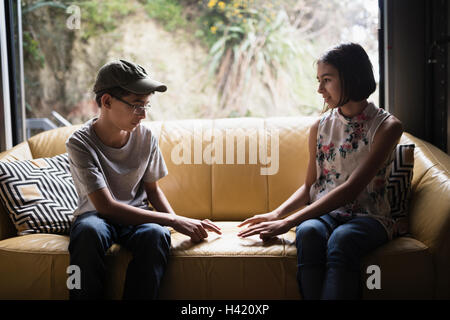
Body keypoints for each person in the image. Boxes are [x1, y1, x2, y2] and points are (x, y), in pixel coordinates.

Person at [238, 43, 403, 300]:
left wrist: (288, 222)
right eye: (318, 80)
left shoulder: (387, 126)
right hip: (325, 215)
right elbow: (309, 186)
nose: (319, 90)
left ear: (351, 77)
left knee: (343, 239)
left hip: (369, 217)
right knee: (309, 232)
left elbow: (351, 190)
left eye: (326, 80)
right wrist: (276, 213)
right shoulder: (320, 126)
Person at [66, 59, 221, 300]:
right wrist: (175, 219)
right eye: (137, 105)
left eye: (146, 106)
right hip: (96, 216)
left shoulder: (146, 137)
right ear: (106, 101)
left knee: (156, 234)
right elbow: (105, 206)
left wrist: (175, 224)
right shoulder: (80, 143)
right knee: (87, 231)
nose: (143, 115)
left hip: (136, 216)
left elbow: (153, 191)